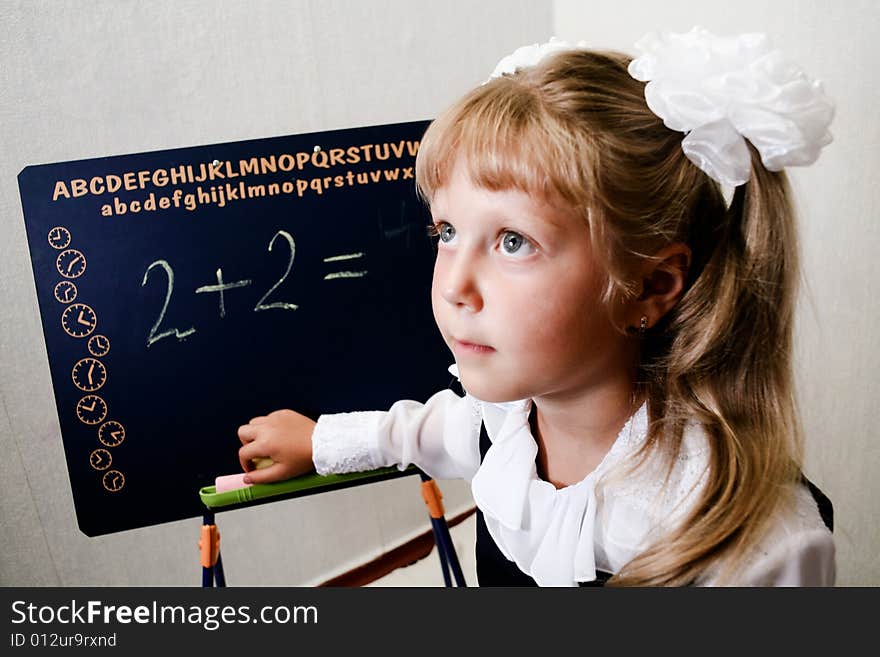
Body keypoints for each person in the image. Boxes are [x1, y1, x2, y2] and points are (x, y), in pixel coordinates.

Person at [236, 27, 837, 586]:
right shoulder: (507, 427)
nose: (452, 286)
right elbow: (430, 431)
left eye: (513, 241)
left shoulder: (759, 548)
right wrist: (320, 443)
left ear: (651, 286)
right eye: (446, 231)